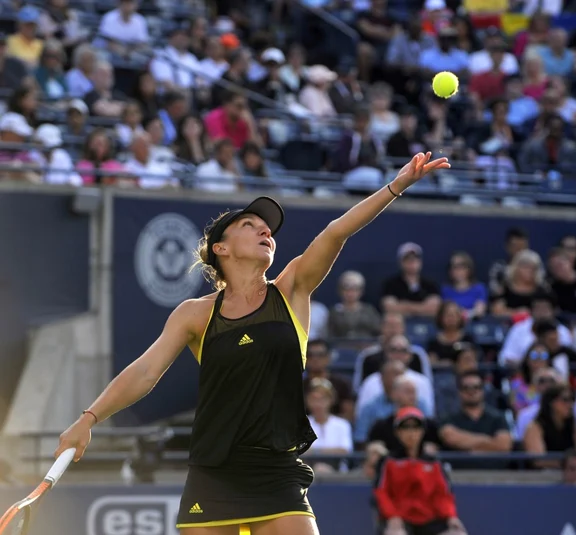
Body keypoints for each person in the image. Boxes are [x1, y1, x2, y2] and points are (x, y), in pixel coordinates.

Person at [54, 152, 451, 535]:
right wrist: (88, 420)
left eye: (268, 228)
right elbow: (145, 371)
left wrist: (396, 186)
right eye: (249, 224)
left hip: (277, 470)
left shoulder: (292, 288)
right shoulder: (195, 313)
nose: (265, 230)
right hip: (214, 473)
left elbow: (336, 231)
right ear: (220, 248)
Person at [374, 407, 467, 535]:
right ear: (397, 432)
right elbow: (381, 493)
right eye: (405, 427)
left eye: (415, 427)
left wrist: (451, 516)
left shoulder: (434, 462)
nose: (411, 433)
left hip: (429, 520)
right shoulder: (388, 461)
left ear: (422, 431)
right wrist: (392, 516)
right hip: (400, 519)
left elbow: (443, 494)